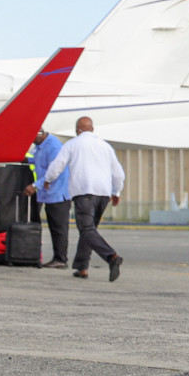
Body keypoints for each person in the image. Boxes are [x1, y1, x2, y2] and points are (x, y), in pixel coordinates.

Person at [42, 117, 126, 280]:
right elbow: (118, 173)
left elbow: (58, 164)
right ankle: (82, 268)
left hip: (84, 192)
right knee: (89, 230)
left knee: (87, 230)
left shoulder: (72, 144)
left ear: (77, 130)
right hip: (103, 194)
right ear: (92, 129)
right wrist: (116, 192)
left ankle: (112, 257)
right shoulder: (105, 146)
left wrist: (48, 179)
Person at [25, 129, 71, 268]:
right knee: (53, 226)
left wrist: (35, 186)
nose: (31, 141)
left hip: (58, 193)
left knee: (59, 228)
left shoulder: (53, 146)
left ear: (40, 133)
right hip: (48, 194)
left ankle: (61, 259)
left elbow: (55, 171)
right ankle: (57, 257)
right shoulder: (39, 146)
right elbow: (36, 161)